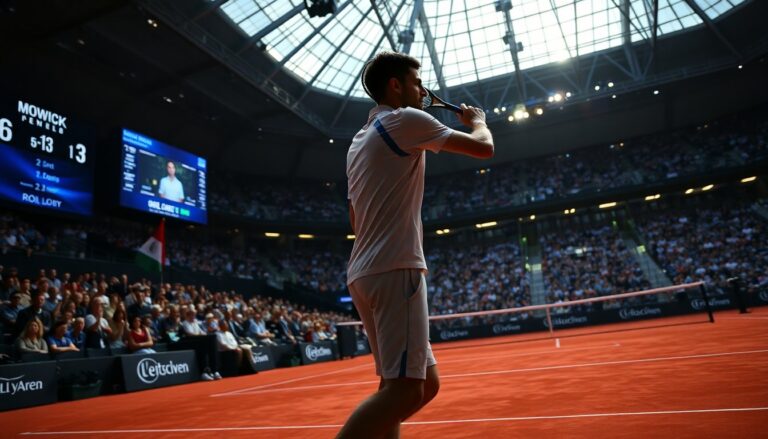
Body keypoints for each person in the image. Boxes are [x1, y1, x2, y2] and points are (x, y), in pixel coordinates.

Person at [337, 51, 494, 439]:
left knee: (416, 384)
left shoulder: (359, 140)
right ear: (395, 85)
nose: (423, 91)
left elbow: (355, 217)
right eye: (416, 82)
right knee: (407, 390)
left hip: (364, 272)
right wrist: (479, 122)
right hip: (395, 268)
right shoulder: (405, 119)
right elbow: (483, 148)